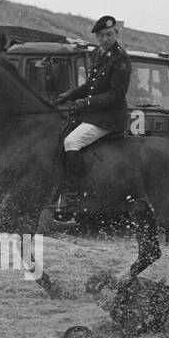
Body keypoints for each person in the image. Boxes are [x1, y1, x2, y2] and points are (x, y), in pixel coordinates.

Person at [53, 15, 132, 214]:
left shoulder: (121, 59)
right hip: (94, 114)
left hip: (109, 118)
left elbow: (116, 94)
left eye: (109, 35)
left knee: (72, 142)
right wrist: (70, 94)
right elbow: (91, 86)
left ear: (116, 33)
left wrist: (85, 102)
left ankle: (72, 195)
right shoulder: (98, 53)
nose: (105, 39)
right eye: (101, 36)